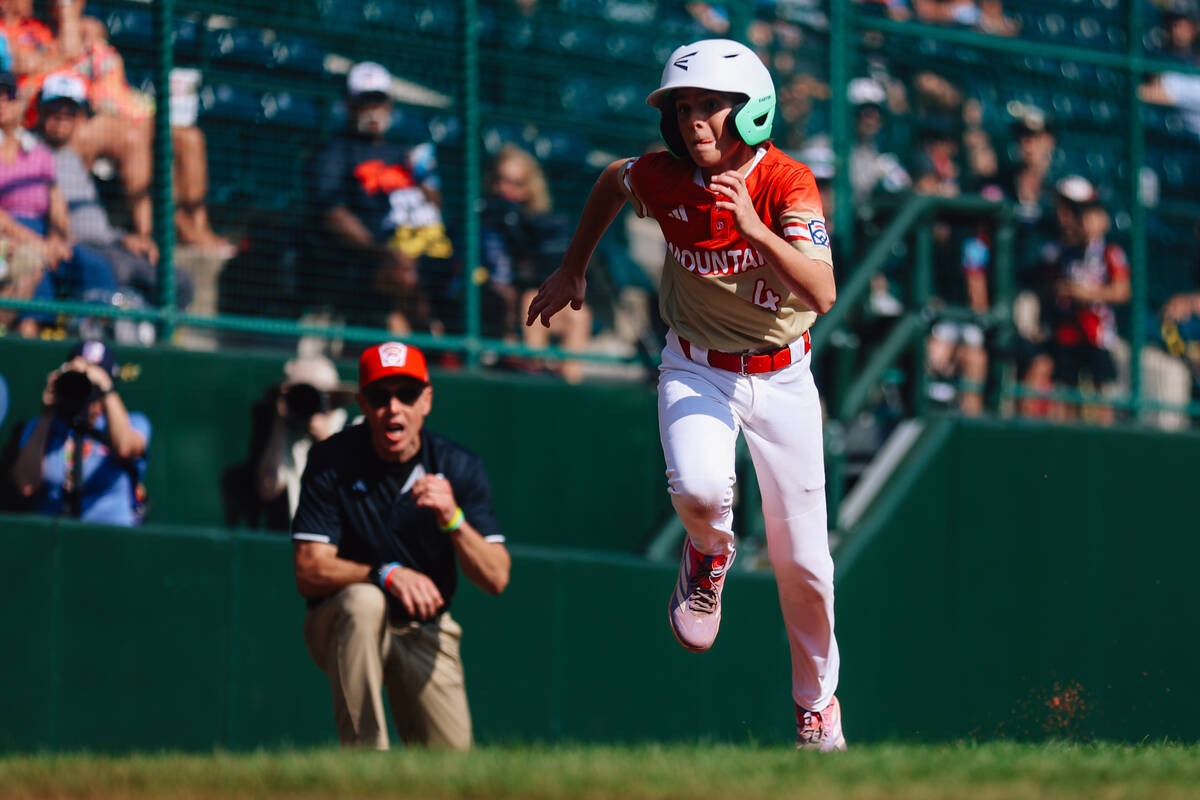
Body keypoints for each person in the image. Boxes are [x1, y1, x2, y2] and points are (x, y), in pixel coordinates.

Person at [526, 39, 844, 750]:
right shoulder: (662, 176)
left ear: (752, 112)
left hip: (784, 378)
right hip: (696, 365)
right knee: (701, 490)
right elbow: (613, 181)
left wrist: (755, 227)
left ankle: (817, 706)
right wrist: (573, 268)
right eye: (684, 109)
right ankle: (707, 556)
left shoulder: (786, 183)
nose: (695, 121)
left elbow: (822, 292)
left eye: (711, 107)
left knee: (806, 565)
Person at [291, 341, 510, 750]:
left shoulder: (457, 466)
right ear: (362, 402)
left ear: (426, 400)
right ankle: (365, 770)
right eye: (379, 396)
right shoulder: (330, 461)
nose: (393, 408)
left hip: (425, 627)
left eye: (406, 395)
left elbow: (497, 576)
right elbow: (308, 570)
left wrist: (454, 519)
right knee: (363, 601)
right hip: (342, 622)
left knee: (453, 775)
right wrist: (384, 573)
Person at [307, 61, 452, 334]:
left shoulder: (407, 154)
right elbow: (331, 212)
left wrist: (426, 181)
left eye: (379, 101)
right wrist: (381, 249)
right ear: (349, 105)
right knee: (402, 273)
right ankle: (434, 338)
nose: (373, 111)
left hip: (421, 250)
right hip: (364, 260)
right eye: (365, 102)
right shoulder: (334, 154)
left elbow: (435, 207)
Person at [34, 71, 193, 309]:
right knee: (111, 273)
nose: (61, 120)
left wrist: (124, 238)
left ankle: (150, 335)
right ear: (41, 113)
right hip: (77, 247)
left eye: (69, 112)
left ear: (80, 116)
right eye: (54, 111)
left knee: (179, 281)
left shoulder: (75, 156)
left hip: (111, 242)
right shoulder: (31, 154)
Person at [0, 69, 119, 337]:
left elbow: (57, 203)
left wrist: (56, 237)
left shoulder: (38, 152)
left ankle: (96, 336)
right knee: (34, 271)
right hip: (12, 238)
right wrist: (38, 244)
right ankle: (27, 342)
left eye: (7, 96)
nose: (2, 104)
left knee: (93, 265)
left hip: (43, 234)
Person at [480, 144, 590, 382]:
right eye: (501, 180)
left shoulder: (540, 223)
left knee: (579, 314)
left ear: (530, 188)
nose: (506, 190)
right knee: (532, 299)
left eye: (516, 183)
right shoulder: (483, 219)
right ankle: (535, 374)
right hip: (498, 302)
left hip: (532, 298)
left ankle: (570, 384)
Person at [8, 339, 149, 525]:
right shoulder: (41, 427)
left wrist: (105, 388)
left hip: (112, 537)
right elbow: (25, 484)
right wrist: (47, 414)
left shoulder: (133, 422)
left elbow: (125, 448)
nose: (87, 394)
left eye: (94, 387)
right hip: (54, 542)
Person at [256, 354, 352, 521]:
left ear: (333, 398)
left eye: (318, 395)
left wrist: (326, 440)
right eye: (301, 395)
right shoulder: (287, 434)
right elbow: (267, 489)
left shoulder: (353, 430)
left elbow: (357, 492)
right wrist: (280, 422)